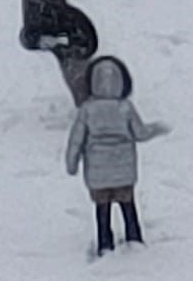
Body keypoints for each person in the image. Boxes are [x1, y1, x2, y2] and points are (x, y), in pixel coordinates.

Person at [65, 55, 169, 256]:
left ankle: (105, 244)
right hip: (124, 171)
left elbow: (76, 139)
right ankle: (134, 238)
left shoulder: (87, 109)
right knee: (128, 206)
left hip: (97, 174)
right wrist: (157, 128)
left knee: (102, 209)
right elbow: (140, 133)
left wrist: (72, 163)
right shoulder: (125, 107)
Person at [19, 0, 98, 106]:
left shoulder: (71, 18)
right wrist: (38, 40)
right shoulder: (36, 18)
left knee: (80, 79)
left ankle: (92, 107)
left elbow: (85, 40)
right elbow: (27, 37)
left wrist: (58, 41)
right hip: (64, 56)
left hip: (78, 53)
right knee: (75, 82)